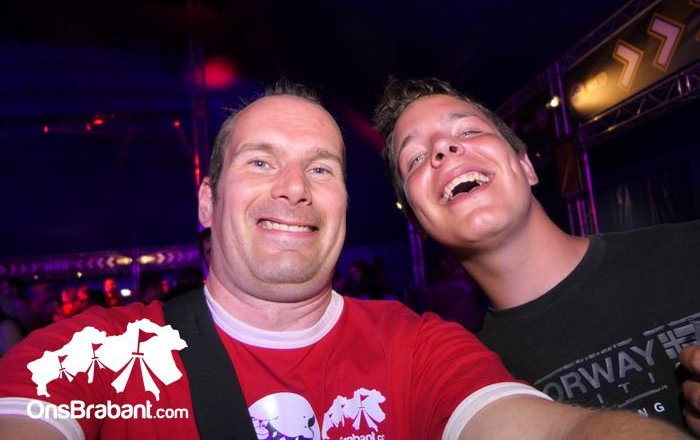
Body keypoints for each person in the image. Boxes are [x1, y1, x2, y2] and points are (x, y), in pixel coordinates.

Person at [0, 80, 691, 439]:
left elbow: (549, 428)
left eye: (321, 168)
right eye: (261, 161)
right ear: (207, 202)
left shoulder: (418, 347)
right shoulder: (91, 353)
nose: (293, 187)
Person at [373, 76, 700, 433]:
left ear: (527, 166)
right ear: (417, 223)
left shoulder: (690, 250)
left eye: (467, 131)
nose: (443, 147)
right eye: (416, 158)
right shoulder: (472, 388)